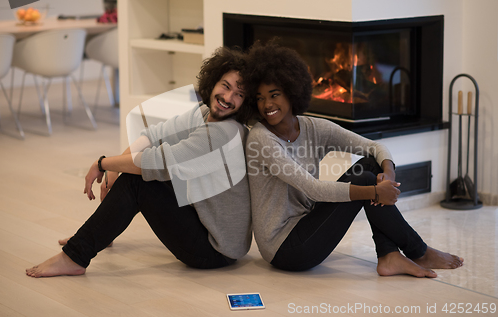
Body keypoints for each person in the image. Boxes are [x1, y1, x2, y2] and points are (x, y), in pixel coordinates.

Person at [26, 47, 253, 278]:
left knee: (139, 181)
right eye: (226, 86)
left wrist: (104, 164)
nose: (228, 97)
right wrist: (113, 170)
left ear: (246, 103)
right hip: (206, 224)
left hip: (215, 249)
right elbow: (155, 135)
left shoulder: (224, 132)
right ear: (214, 82)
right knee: (138, 173)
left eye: (239, 94)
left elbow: (158, 163)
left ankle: (74, 256)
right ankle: (100, 234)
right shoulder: (204, 112)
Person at [243, 41, 463, 276]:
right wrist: (375, 192)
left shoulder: (313, 128)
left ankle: (388, 255)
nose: (267, 104)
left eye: (274, 95)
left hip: (308, 225)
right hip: (285, 249)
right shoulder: (261, 139)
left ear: (291, 90)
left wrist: (388, 174)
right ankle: (418, 251)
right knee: (367, 180)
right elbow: (313, 189)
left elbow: (374, 146)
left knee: (372, 164)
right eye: (260, 98)